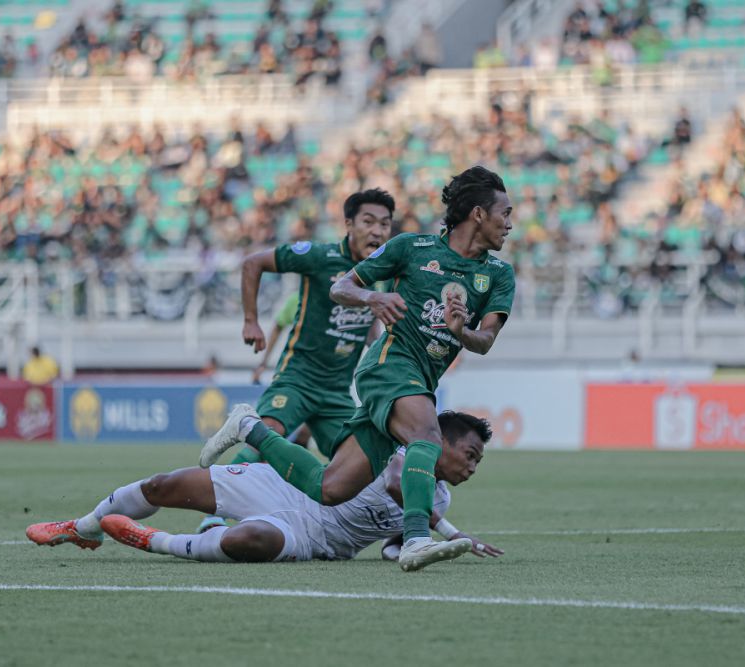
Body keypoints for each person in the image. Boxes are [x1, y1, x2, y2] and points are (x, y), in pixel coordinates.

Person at [200, 166, 515, 571]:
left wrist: (463, 331)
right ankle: (414, 539)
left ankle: (247, 427)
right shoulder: (412, 248)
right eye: (504, 214)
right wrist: (372, 299)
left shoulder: (499, 275)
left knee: (330, 487)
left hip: (412, 381)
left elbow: (485, 342)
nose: (509, 224)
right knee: (426, 436)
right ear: (477, 214)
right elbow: (341, 287)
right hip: (387, 366)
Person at [27, 411, 501, 564]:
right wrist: (452, 533)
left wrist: (400, 549)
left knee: (244, 541)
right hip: (285, 490)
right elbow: (399, 486)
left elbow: (392, 548)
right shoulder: (403, 462)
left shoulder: (440, 496)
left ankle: (154, 541)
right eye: (471, 454)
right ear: (438, 442)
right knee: (163, 484)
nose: (473, 467)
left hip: (316, 540)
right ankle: (83, 526)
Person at [194, 189, 393, 533]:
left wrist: (379, 352)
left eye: (385, 224)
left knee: (361, 460)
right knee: (266, 433)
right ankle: (214, 514)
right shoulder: (320, 256)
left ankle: (391, 530)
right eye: (369, 221)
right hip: (297, 379)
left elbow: (370, 321)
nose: (377, 231)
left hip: (336, 393)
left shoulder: (382, 270)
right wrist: (250, 320)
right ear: (349, 224)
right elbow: (253, 262)